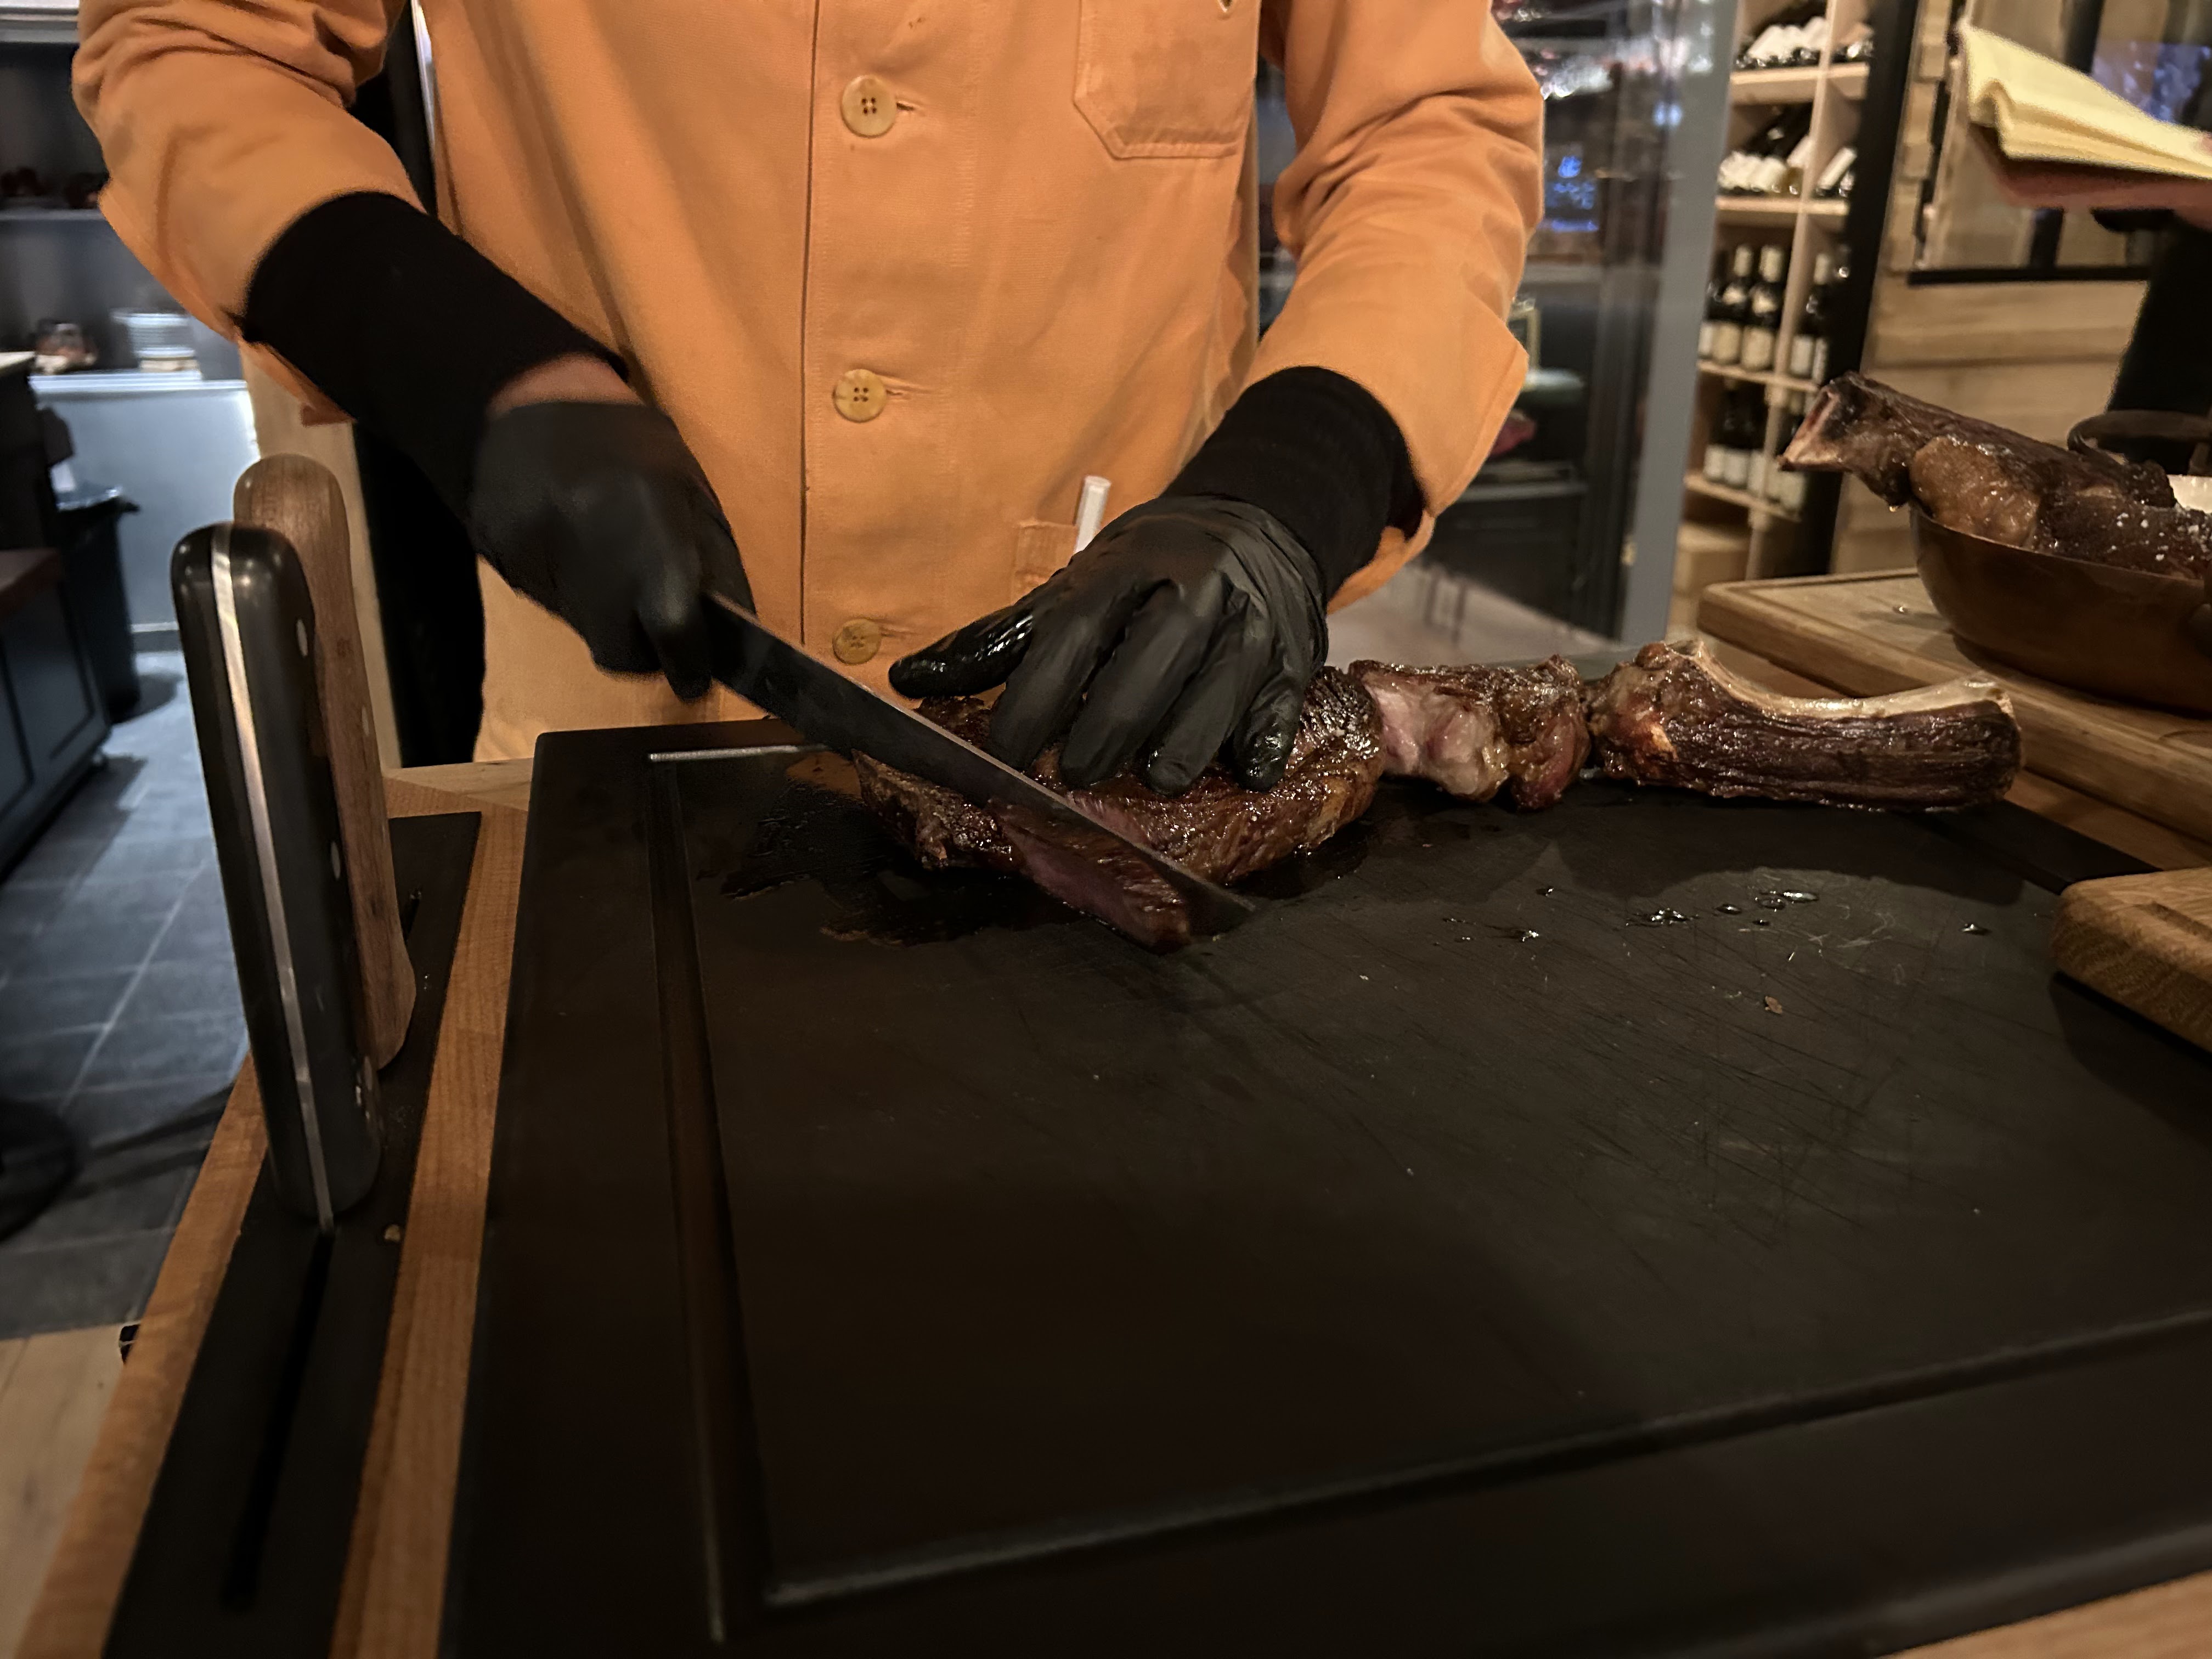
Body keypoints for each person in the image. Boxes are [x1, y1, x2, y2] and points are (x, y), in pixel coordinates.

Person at [75, 2, 1542, 787]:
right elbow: (196, 44)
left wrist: (1302, 471)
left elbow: (1424, 128)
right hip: (614, 733)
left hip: (1120, 731)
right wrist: (458, 361)